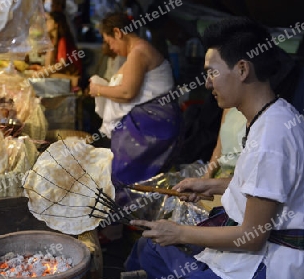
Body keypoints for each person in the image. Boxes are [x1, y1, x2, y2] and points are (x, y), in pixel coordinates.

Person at [126, 17, 304, 279]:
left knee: (167, 277)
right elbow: (266, 184)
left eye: (212, 73)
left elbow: (252, 237)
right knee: (149, 249)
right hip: (254, 256)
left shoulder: (272, 137)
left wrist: (179, 233)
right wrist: (213, 186)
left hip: (269, 271)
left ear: (242, 69)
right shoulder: (272, 115)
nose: (207, 83)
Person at [89, 12, 182, 186]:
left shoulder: (139, 52)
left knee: (127, 177)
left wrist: (98, 89)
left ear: (118, 33)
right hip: (153, 119)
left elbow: (127, 93)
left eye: (110, 42)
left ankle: (129, 211)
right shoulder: (137, 51)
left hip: (153, 122)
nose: (112, 48)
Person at [203, 107, 246, 178]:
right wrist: (207, 176)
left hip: (242, 177)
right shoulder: (228, 107)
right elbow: (219, 148)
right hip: (223, 172)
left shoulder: (262, 110)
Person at [43, 11, 82, 77]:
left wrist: (44, 71)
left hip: (73, 75)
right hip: (65, 73)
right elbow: (48, 65)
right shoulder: (53, 41)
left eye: (48, 20)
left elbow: (62, 64)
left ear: (56, 24)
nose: (45, 23)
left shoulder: (62, 40)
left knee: (45, 76)